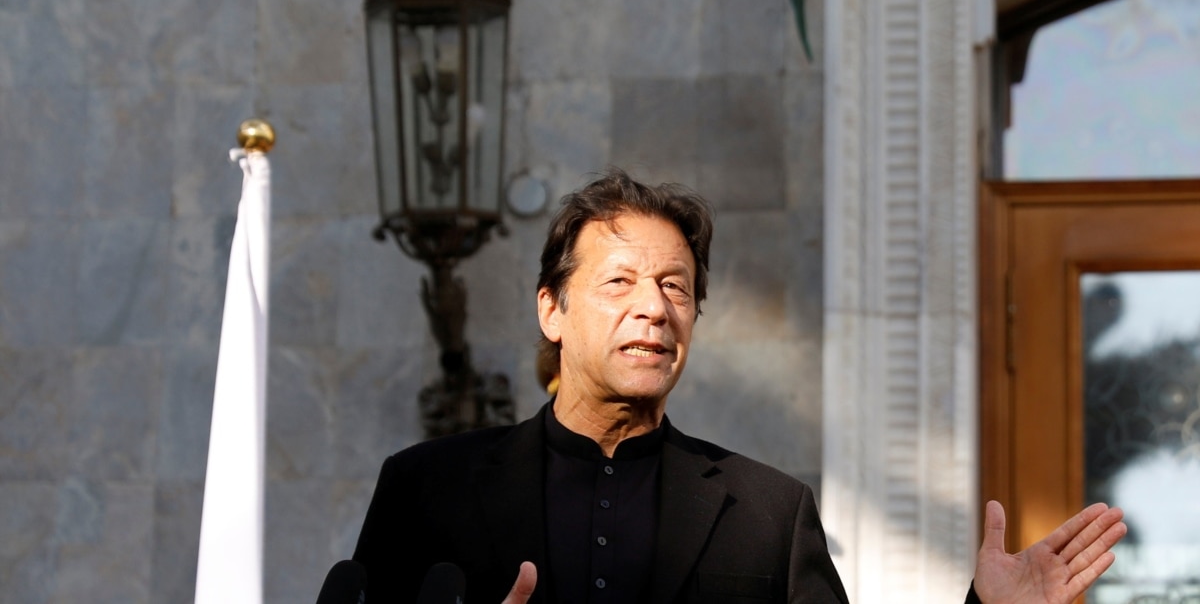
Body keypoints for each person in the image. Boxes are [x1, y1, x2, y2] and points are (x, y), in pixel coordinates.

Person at [352, 171, 1127, 603]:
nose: (654, 308)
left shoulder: (768, 514)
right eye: (620, 282)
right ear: (551, 309)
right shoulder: (427, 490)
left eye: (676, 287)